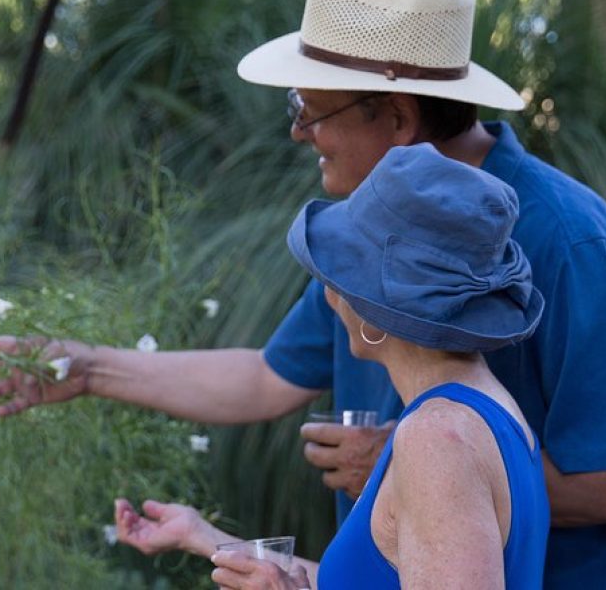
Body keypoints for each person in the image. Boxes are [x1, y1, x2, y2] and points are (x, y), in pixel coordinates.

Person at [0, 0, 606, 587]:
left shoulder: (572, 243)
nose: (298, 131)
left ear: (398, 118)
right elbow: (264, 377)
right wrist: (88, 367)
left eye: (312, 111)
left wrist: (410, 467)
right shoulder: (381, 236)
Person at [116, 144, 551, 589]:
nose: (327, 294)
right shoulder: (490, 410)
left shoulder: (436, 440)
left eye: (338, 276)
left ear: (375, 317)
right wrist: (203, 536)